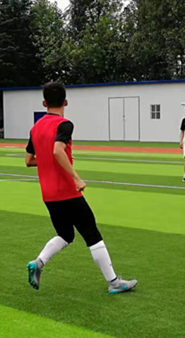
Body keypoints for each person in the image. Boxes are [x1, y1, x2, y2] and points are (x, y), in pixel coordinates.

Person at [25, 82, 137, 294]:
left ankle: (38, 262)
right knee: (91, 233)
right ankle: (113, 282)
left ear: (44, 103)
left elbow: (29, 160)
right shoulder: (64, 125)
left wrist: (51, 160)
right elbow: (57, 151)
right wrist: (76, 178)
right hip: (67, 191)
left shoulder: (35, 128)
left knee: (65, 234)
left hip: (48, 194)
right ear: (66, 102)